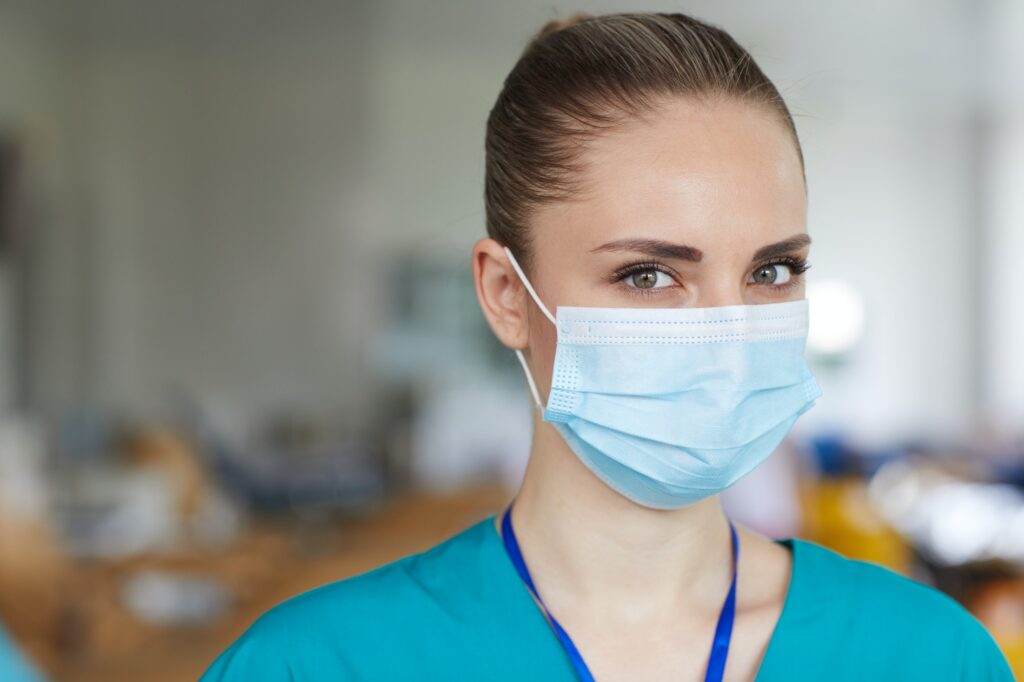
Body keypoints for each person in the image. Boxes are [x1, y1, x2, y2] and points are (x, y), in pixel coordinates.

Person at [201, 11, 1014, 681]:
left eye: (772, 269)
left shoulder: (928, 656)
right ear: (506, 296)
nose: (728, 335)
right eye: (650, 275)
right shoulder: (316, 665)